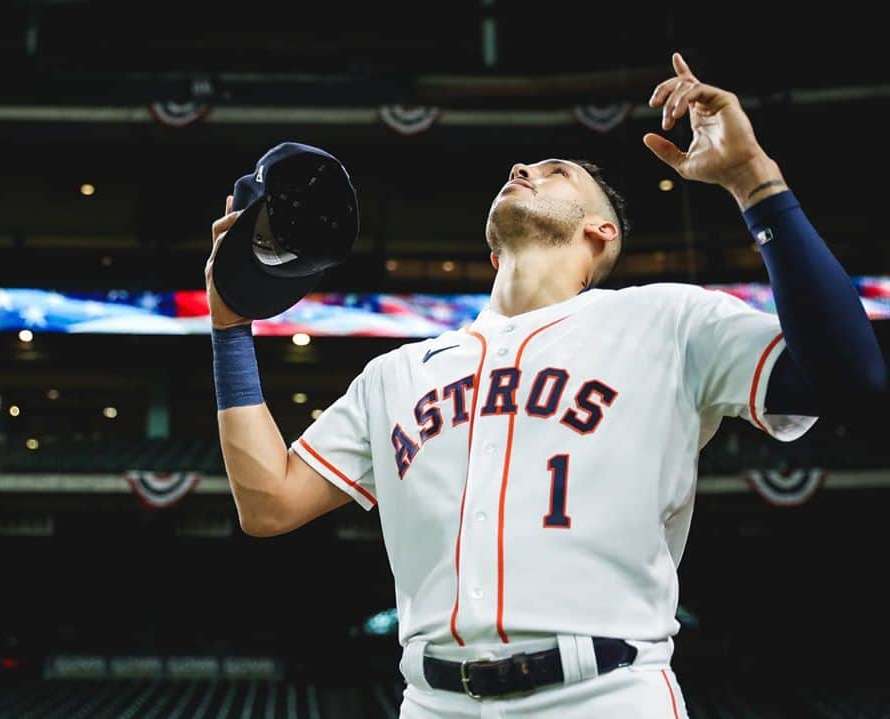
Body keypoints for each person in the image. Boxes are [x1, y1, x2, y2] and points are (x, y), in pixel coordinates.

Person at [205, 53, 887, 717]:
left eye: (557, 171)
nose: (521, 167)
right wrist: (230, 324)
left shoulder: (666, 319)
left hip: (608, 694)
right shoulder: (396, 373)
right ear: (493, 250)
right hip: (434, 701)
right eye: (524, 166)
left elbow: (848, 378)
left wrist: (753, 180)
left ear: (601, 232)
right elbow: (269, 503)